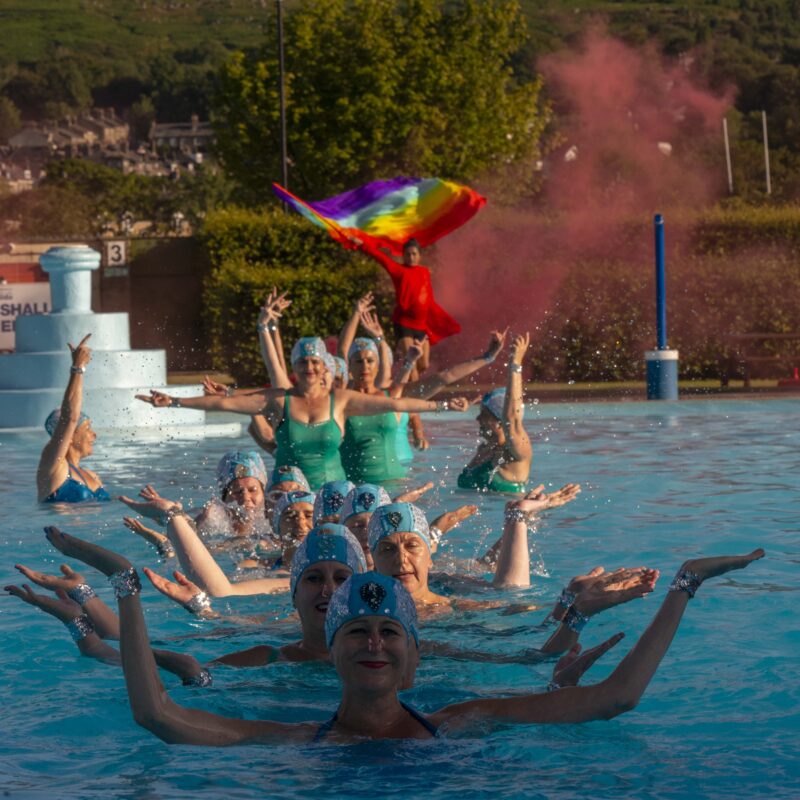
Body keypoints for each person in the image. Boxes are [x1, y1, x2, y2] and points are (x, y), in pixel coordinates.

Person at [47, 529, 763, 744]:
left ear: (415, 656)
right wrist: (123, 584)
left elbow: (619, 698)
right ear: (333, 652)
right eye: (358, 630)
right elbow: (156, 714)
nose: (375, 642)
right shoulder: (288, 736)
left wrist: (685, 584)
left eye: (390, 630)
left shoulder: (470, 717)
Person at [135, 336, 471, 490]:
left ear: (324, 366)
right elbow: (225, 404)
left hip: (335, 494)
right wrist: (176, 402)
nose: (309, 367)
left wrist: (441, 406)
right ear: (294, 366)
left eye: (315, 361)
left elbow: (396, 403)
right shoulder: (278, 400)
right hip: (288, 495)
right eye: (302, 362)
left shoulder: (340, 400)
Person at [355, 236, 460, 375]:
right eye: (408, 254)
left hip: (422, 325)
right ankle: (415, 395)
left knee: (424, 364)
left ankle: (403, 383)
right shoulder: (399, 271)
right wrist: (363, 245)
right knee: (412, 364)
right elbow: (382, 258)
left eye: (414, 254)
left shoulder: (424, 272)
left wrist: (435, 319)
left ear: (419, 256)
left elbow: (428, 299)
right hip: (404, 324)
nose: (411, 257)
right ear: (403, 256)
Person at [36, 335, 109, 503]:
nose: (94, 435)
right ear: (69, 436)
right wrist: (78, 367)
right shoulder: (53, 468)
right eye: (87, 428)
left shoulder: (92, 476)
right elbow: (70, 418)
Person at [458, 332, 532, 494]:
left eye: (484, 415)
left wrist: (515, 364)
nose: (477, 418)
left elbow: (512, 419)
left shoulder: (517, 450)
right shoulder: (486, 447)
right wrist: (487, 356)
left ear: (500, 420)